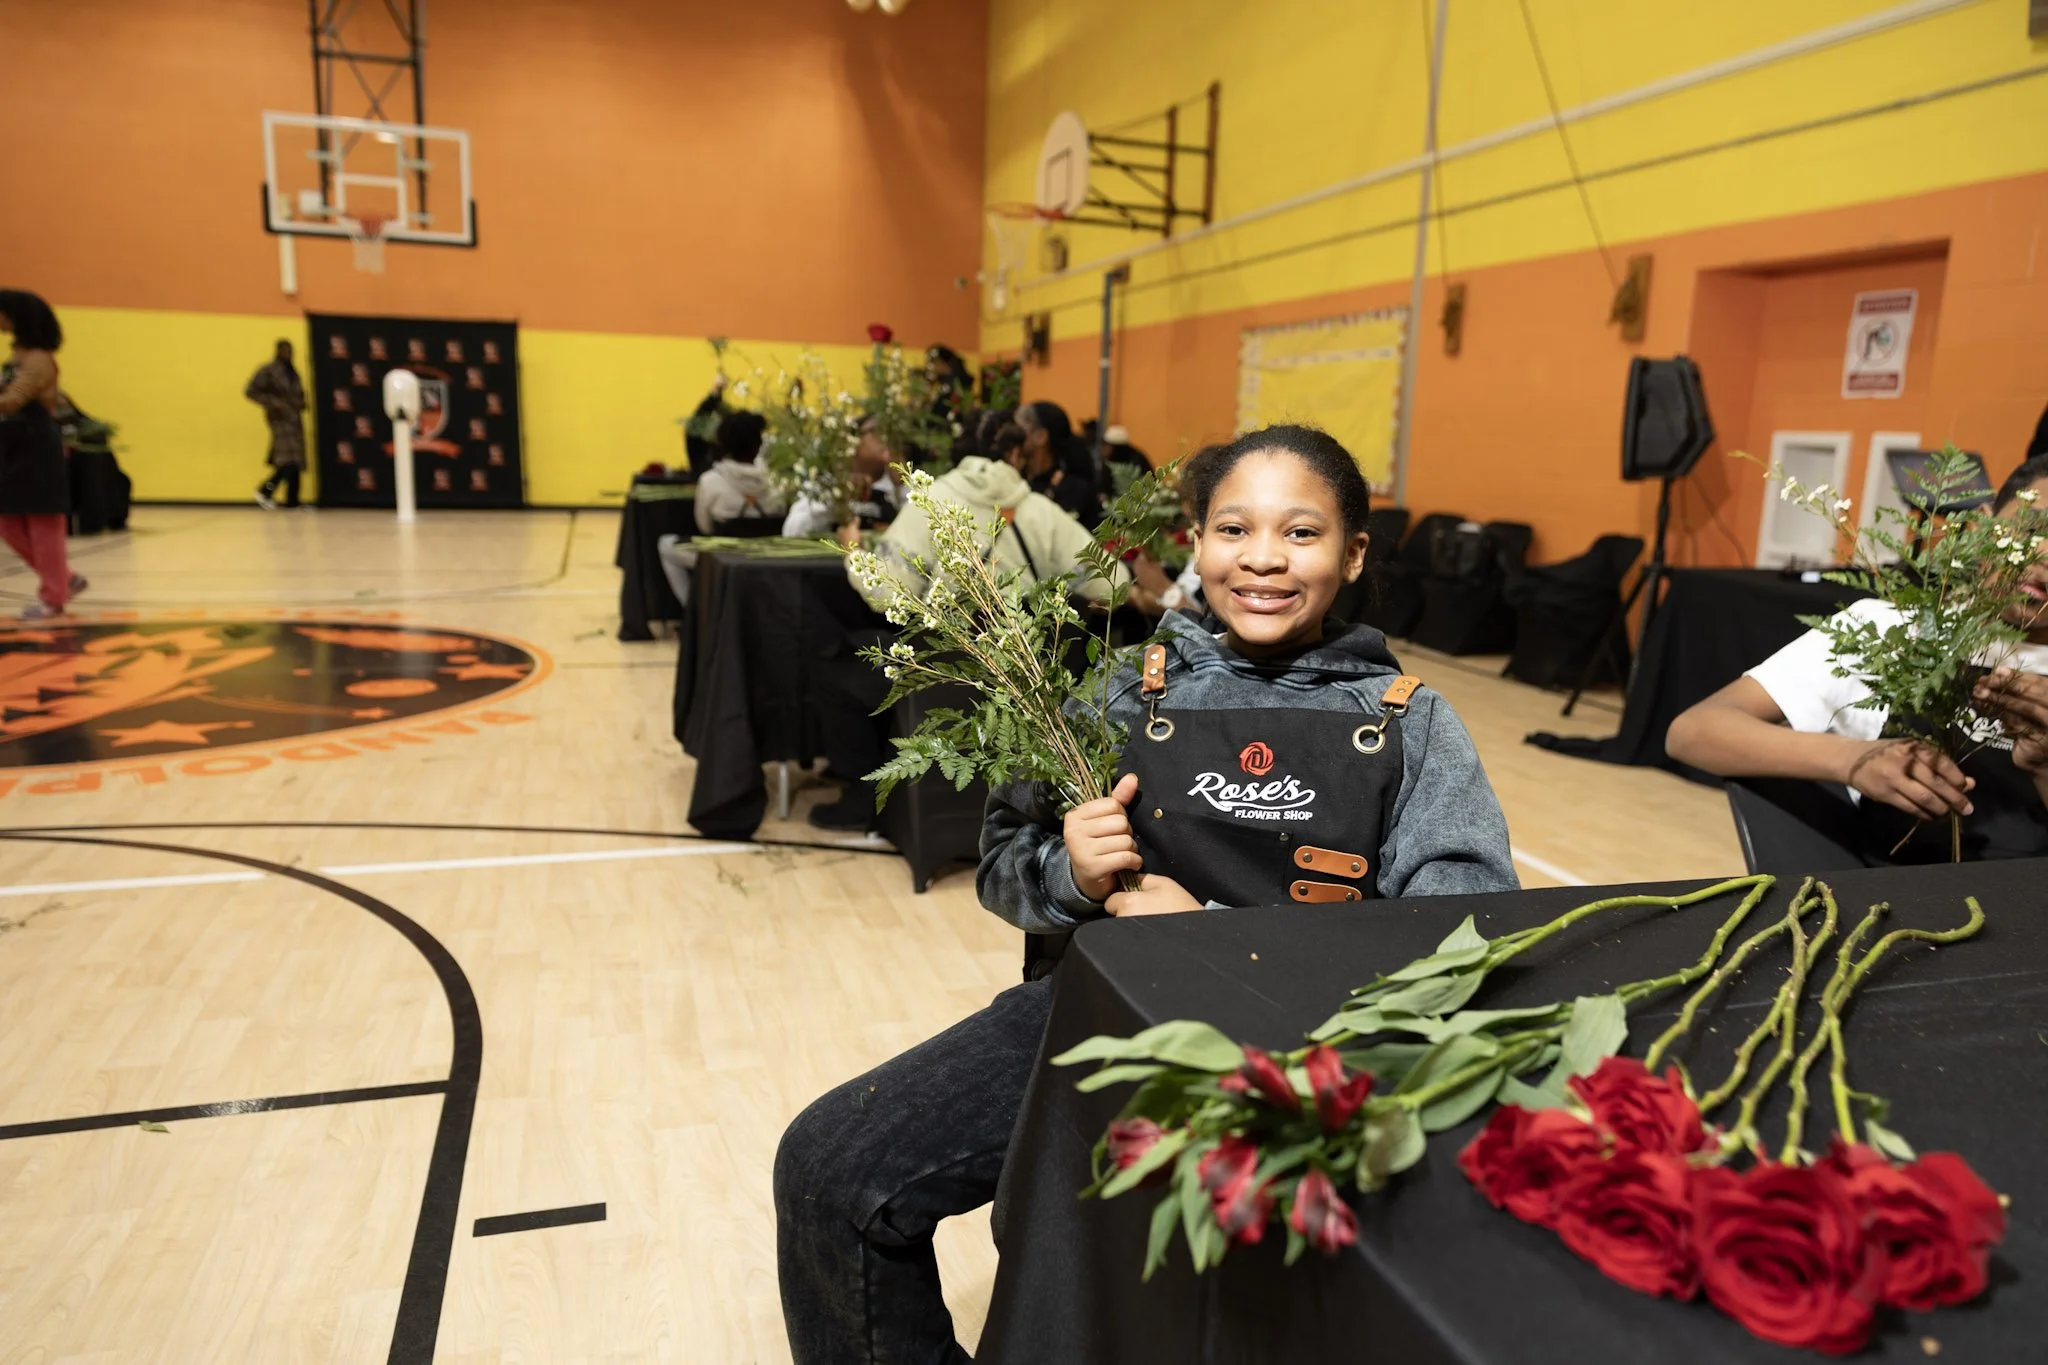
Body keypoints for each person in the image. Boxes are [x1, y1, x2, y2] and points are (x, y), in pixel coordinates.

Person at [775, 425, 1518, 1362]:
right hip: (1091, 1016)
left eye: (1300, 533)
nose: (1261, 559)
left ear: (1354, 552)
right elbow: (1007, 864)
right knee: (829, 1167)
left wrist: (1213, 937)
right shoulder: (1121, 691)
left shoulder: (1414, 723)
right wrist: (1071, 873)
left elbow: (1463, 942)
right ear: (1195, 543)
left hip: (1303, 1055)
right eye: (1233, 528)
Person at [1666, 454, 2048, 862]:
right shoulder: (1890, 630)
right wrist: (1853, 760)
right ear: (1985, 523)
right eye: (2030, 529)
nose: (2043, 558)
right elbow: (1694, 732)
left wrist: (2043, 765)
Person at [807, 422, 1152, 832]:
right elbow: (1109, 584)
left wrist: (852, 552)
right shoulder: (1039, 508)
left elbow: (885, 591)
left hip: (948, 674)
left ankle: (861, 799)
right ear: (1016, 454)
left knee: (837, 669)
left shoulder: (930, 500)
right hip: (1034, 679)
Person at [0, 289, 78, 619]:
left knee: (44, 523)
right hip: (12, 444)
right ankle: (65, 579)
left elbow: (12, 400)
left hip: (35, 444)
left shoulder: (38, 360)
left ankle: (53, 595)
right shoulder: (17, 357)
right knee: (8, 520)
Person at [781, 417, 900, 541]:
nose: (885, 438)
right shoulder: (824, 485)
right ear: (853, 441)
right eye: (876, 432)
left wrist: (900, 485)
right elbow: (792, 531)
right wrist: (838, 498)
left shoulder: (897, 482)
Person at [691, 409, 785, 533]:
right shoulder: (779, 484)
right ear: (759, 445)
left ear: (722, 444)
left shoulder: (709, 482)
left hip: (723, 552)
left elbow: (705, 528)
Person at [1016, 399, 1101, 528]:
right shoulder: (1016, 477)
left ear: (1040, 436)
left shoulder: (1073, 489)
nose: (1011, 437)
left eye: (1018, 431)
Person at [247, 339, 308, 510]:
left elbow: (299, 393)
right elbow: (251, 391)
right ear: (278, 351)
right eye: (285, 350)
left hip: (294, 418)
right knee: (287, 460)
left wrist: (301, 402)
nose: (288, 354)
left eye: (290, 350)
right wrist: (273, 403)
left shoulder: (293, 372)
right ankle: (265, 490)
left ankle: (293, 500)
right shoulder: (268, 370)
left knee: (296, 460)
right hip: (279, 418)